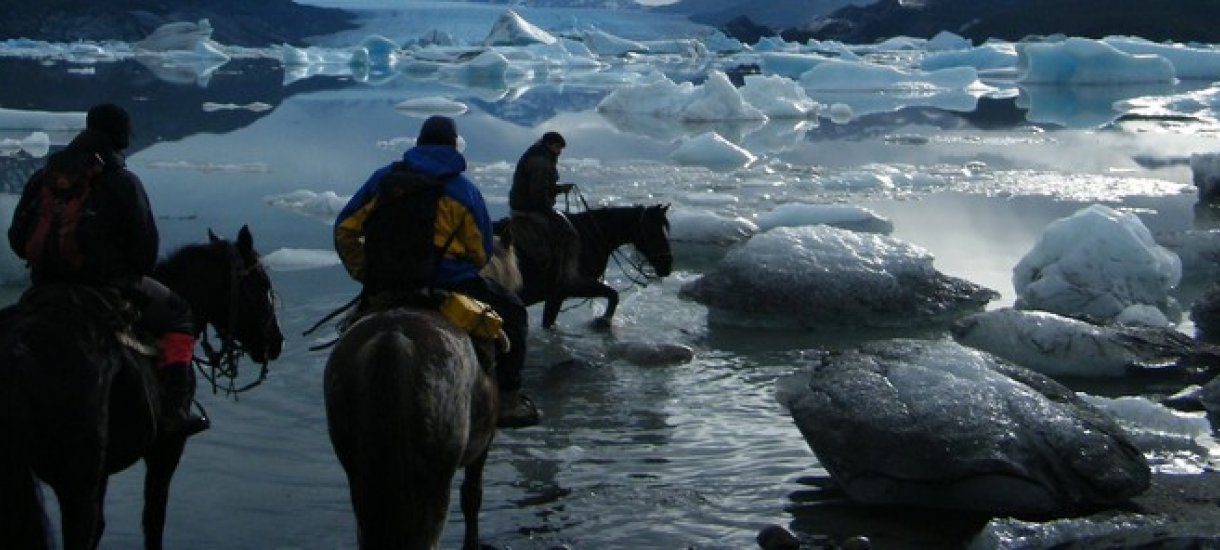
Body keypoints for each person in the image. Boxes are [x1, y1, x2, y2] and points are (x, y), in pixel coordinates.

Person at [7, 103, 207, 436]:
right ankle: (175, 411)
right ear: (120, 136)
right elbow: (146, 254)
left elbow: (17, 239)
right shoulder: (123, 182)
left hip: (43, 288)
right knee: (180, 315)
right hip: (107, 289)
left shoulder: (45, 178)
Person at [333, 115, 539, 428]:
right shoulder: (462, 191)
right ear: (454, 146)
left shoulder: (383, 180)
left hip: (387, 284)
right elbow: (481, 253)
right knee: (515, 313)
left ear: (418, 143)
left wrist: (366, 272)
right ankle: (509, 402)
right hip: (449, 285)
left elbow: (345, 230)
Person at [509, 131, 579, 287]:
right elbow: (538, 193)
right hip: (530, 209)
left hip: (526, 206)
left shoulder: (540, 156)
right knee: (566, 233)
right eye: (557, 147)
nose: (559, 151)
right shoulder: (540, 162)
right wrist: (549, 212)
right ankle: (560, 278)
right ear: (549, 145)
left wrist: (559, 189)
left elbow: (541, 187)